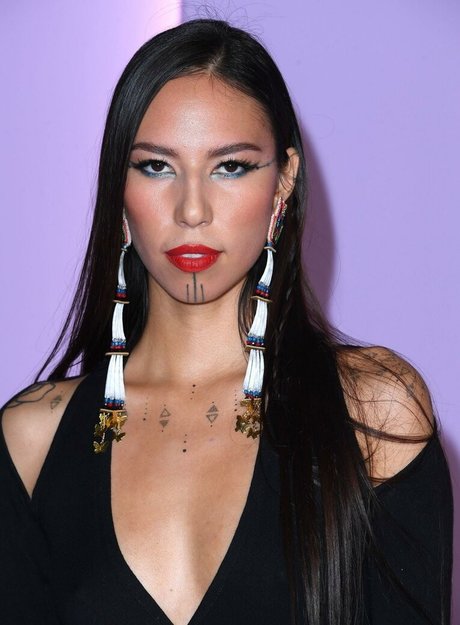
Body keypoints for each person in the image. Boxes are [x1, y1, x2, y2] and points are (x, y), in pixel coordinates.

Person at [0, 18, 452, 625]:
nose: (192, 210)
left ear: (283, 181)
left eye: (231, 166)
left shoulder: (375, 415)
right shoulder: (31, 441)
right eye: (156, 166)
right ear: (118, 189)